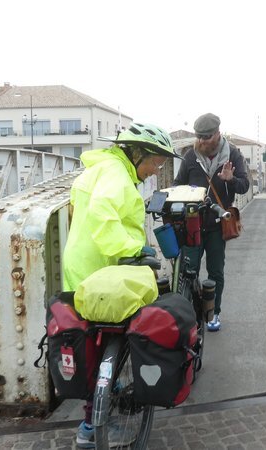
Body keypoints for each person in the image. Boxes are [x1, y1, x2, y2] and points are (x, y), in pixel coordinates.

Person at [61, 122, 180, 448]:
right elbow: (102, 213)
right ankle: (92, 425)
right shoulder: (115, 174)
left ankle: (99, 404)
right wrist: (132, 249)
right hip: (101, 270)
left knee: (92, 343)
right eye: (155, 162)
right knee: (103, 345)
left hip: (83, 267)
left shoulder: (100, 169)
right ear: (137, 153)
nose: (156, 170)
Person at [174, 113, 250, 332]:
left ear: (217, 133)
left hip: (218, 224)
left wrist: (231, 180)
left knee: (216, 271)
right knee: (189, 272)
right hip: (192, 223)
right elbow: (178, 184)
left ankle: (213, 312)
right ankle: (189, 314)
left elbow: (245, 186)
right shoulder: (191, 156)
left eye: (206, 136)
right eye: (199, 136)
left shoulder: (233, 155)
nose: (202, 141)